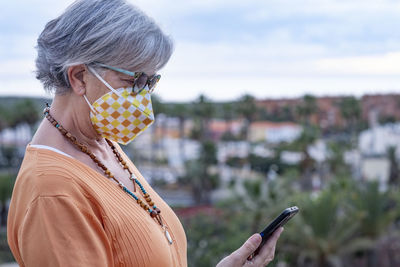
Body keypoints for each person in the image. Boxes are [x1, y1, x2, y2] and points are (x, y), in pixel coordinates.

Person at [7, 0, 283, 266]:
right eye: (133, 81)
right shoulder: (52, 193)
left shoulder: (103, 146)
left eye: (150, 82)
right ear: (79, 77)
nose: (144, 96)